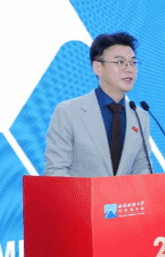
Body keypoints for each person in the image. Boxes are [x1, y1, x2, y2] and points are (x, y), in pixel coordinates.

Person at [44, 32, 152, 177]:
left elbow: (143, 168)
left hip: (126, 194)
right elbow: (56, 170)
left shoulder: (140, 117)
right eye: (120, 62)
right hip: (80, 192)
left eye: (133, 63)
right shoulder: (68, 112)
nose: (129, 69)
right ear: (97, 67)